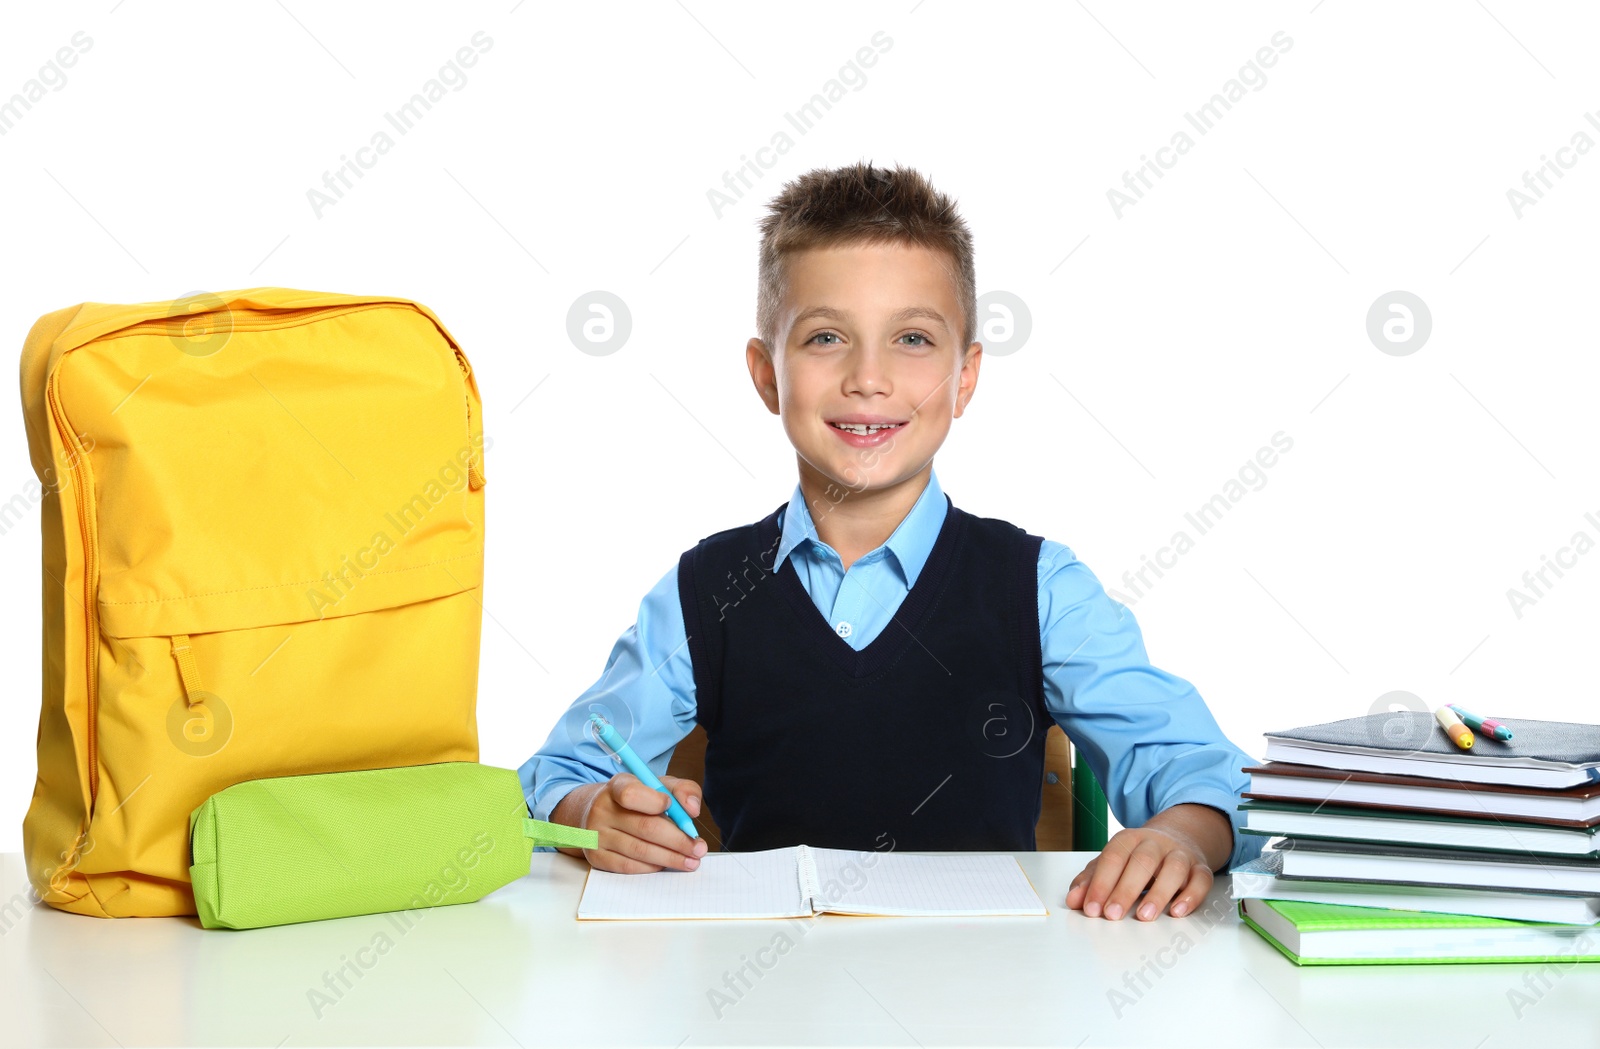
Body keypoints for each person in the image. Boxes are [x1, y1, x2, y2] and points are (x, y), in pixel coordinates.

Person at [520, 162, 1265, 921]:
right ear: (766, 374)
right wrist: (590, 813)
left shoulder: (1040, 590)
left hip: (986, 1009)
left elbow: (1212, 776)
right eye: (825, 337)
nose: (867, 377)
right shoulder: (704, 591)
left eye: (912, 338)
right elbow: (555, 774)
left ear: (965, 376)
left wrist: (1181, 833)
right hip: (758, 1004)